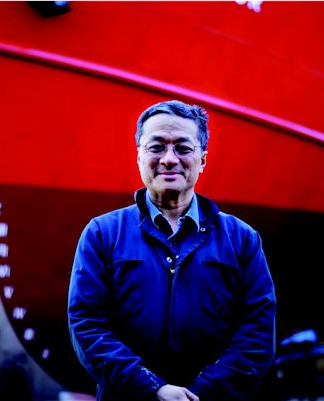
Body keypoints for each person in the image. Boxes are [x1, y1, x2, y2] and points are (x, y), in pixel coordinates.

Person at [68, 100, 276, 401]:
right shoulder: (102, 234)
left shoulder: (242, 240)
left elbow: (257, 333)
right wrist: (152, 389)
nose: (168, 159)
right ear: (139, 155)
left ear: (202, 159)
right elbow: (86, 324)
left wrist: (202, 393)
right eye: (156, 147)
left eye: (182, 147)